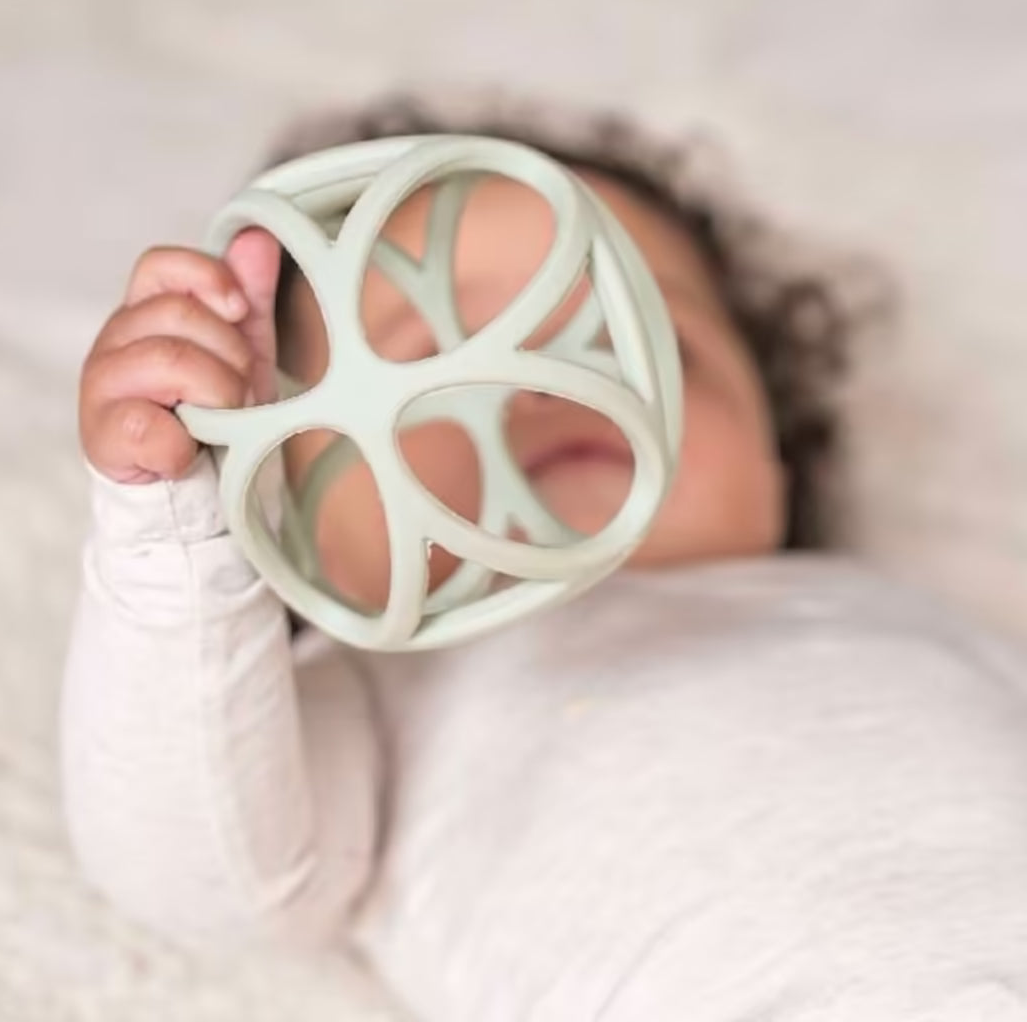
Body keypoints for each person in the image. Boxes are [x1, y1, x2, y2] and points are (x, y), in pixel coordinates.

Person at [63, 95, 1027, 1020]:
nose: (549, 388)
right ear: (285, 503)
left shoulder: (899, 610)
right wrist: (175, 535)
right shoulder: (385, 695)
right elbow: (200, 873)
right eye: (432, 360)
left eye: (627, 342)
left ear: (775, 443)